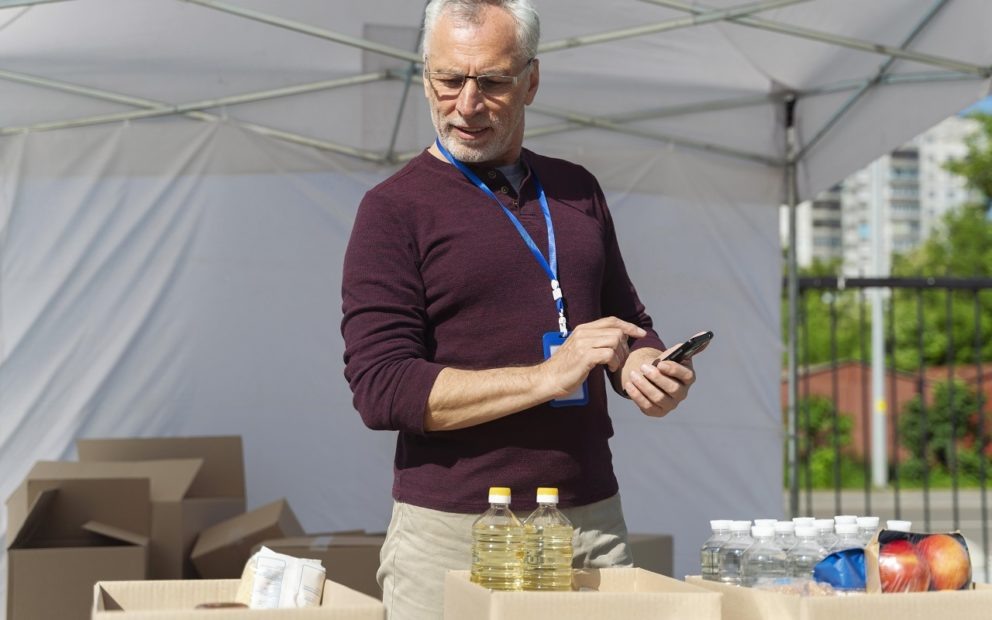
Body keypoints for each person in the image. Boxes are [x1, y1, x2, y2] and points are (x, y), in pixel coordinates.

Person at [341, 1, 698, 617]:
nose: (467, 104)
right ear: (425, 76)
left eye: (493, 81)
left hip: (587, 521)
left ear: (531, 80)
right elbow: (382, 389)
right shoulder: (392, 209)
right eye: (449, 79)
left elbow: (627, 320)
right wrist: (548, 377)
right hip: (455, 531)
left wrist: (645, 366)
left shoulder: (577, 188)